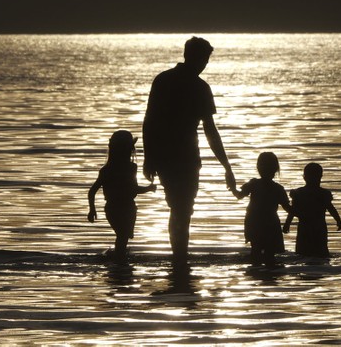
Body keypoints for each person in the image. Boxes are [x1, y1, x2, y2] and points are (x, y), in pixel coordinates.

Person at [142, 36, 236, 263]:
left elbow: (149, 121)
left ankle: (179, 258)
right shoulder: (199, 87)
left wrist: (149, 157)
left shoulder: (163, 80)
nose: (205, 65)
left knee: (179, 207)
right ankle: (180, 258)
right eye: (204, 59)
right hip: (183, 158)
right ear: (193, 57)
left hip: (168, 156)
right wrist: (227, 167)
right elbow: (210, 131)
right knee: (182, 208)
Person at [88, 130, 156, 260]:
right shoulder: (131, 168)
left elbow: (92, 191)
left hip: (112, 208)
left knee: (122, 236)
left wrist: (92, 209)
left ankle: (118, 260)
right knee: (123, 236)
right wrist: (148, 188)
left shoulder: (106, 170)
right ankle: (119, 261)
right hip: (126, 208)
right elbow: (133, 190)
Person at [232, 152, 292, 267]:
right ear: (275, 169)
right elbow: (288, 208)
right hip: (270, 223)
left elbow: (239, 195)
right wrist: (288, 223)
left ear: (258, 167)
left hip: (254, 222)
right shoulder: (278, 189)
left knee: (256, 251)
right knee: (270, 255)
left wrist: (233, 187)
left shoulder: (253, 184)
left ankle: (256, 271)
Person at [283, 162, 341, 258]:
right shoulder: (322, 194)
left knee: (303, 253)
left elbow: (293, 210)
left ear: (304, 177)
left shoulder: (300, 193)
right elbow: (331, 208)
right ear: (321, 177)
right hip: (318, 228)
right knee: (321, 253)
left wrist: (287, 223)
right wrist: (338, 220)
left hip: (307, 228)